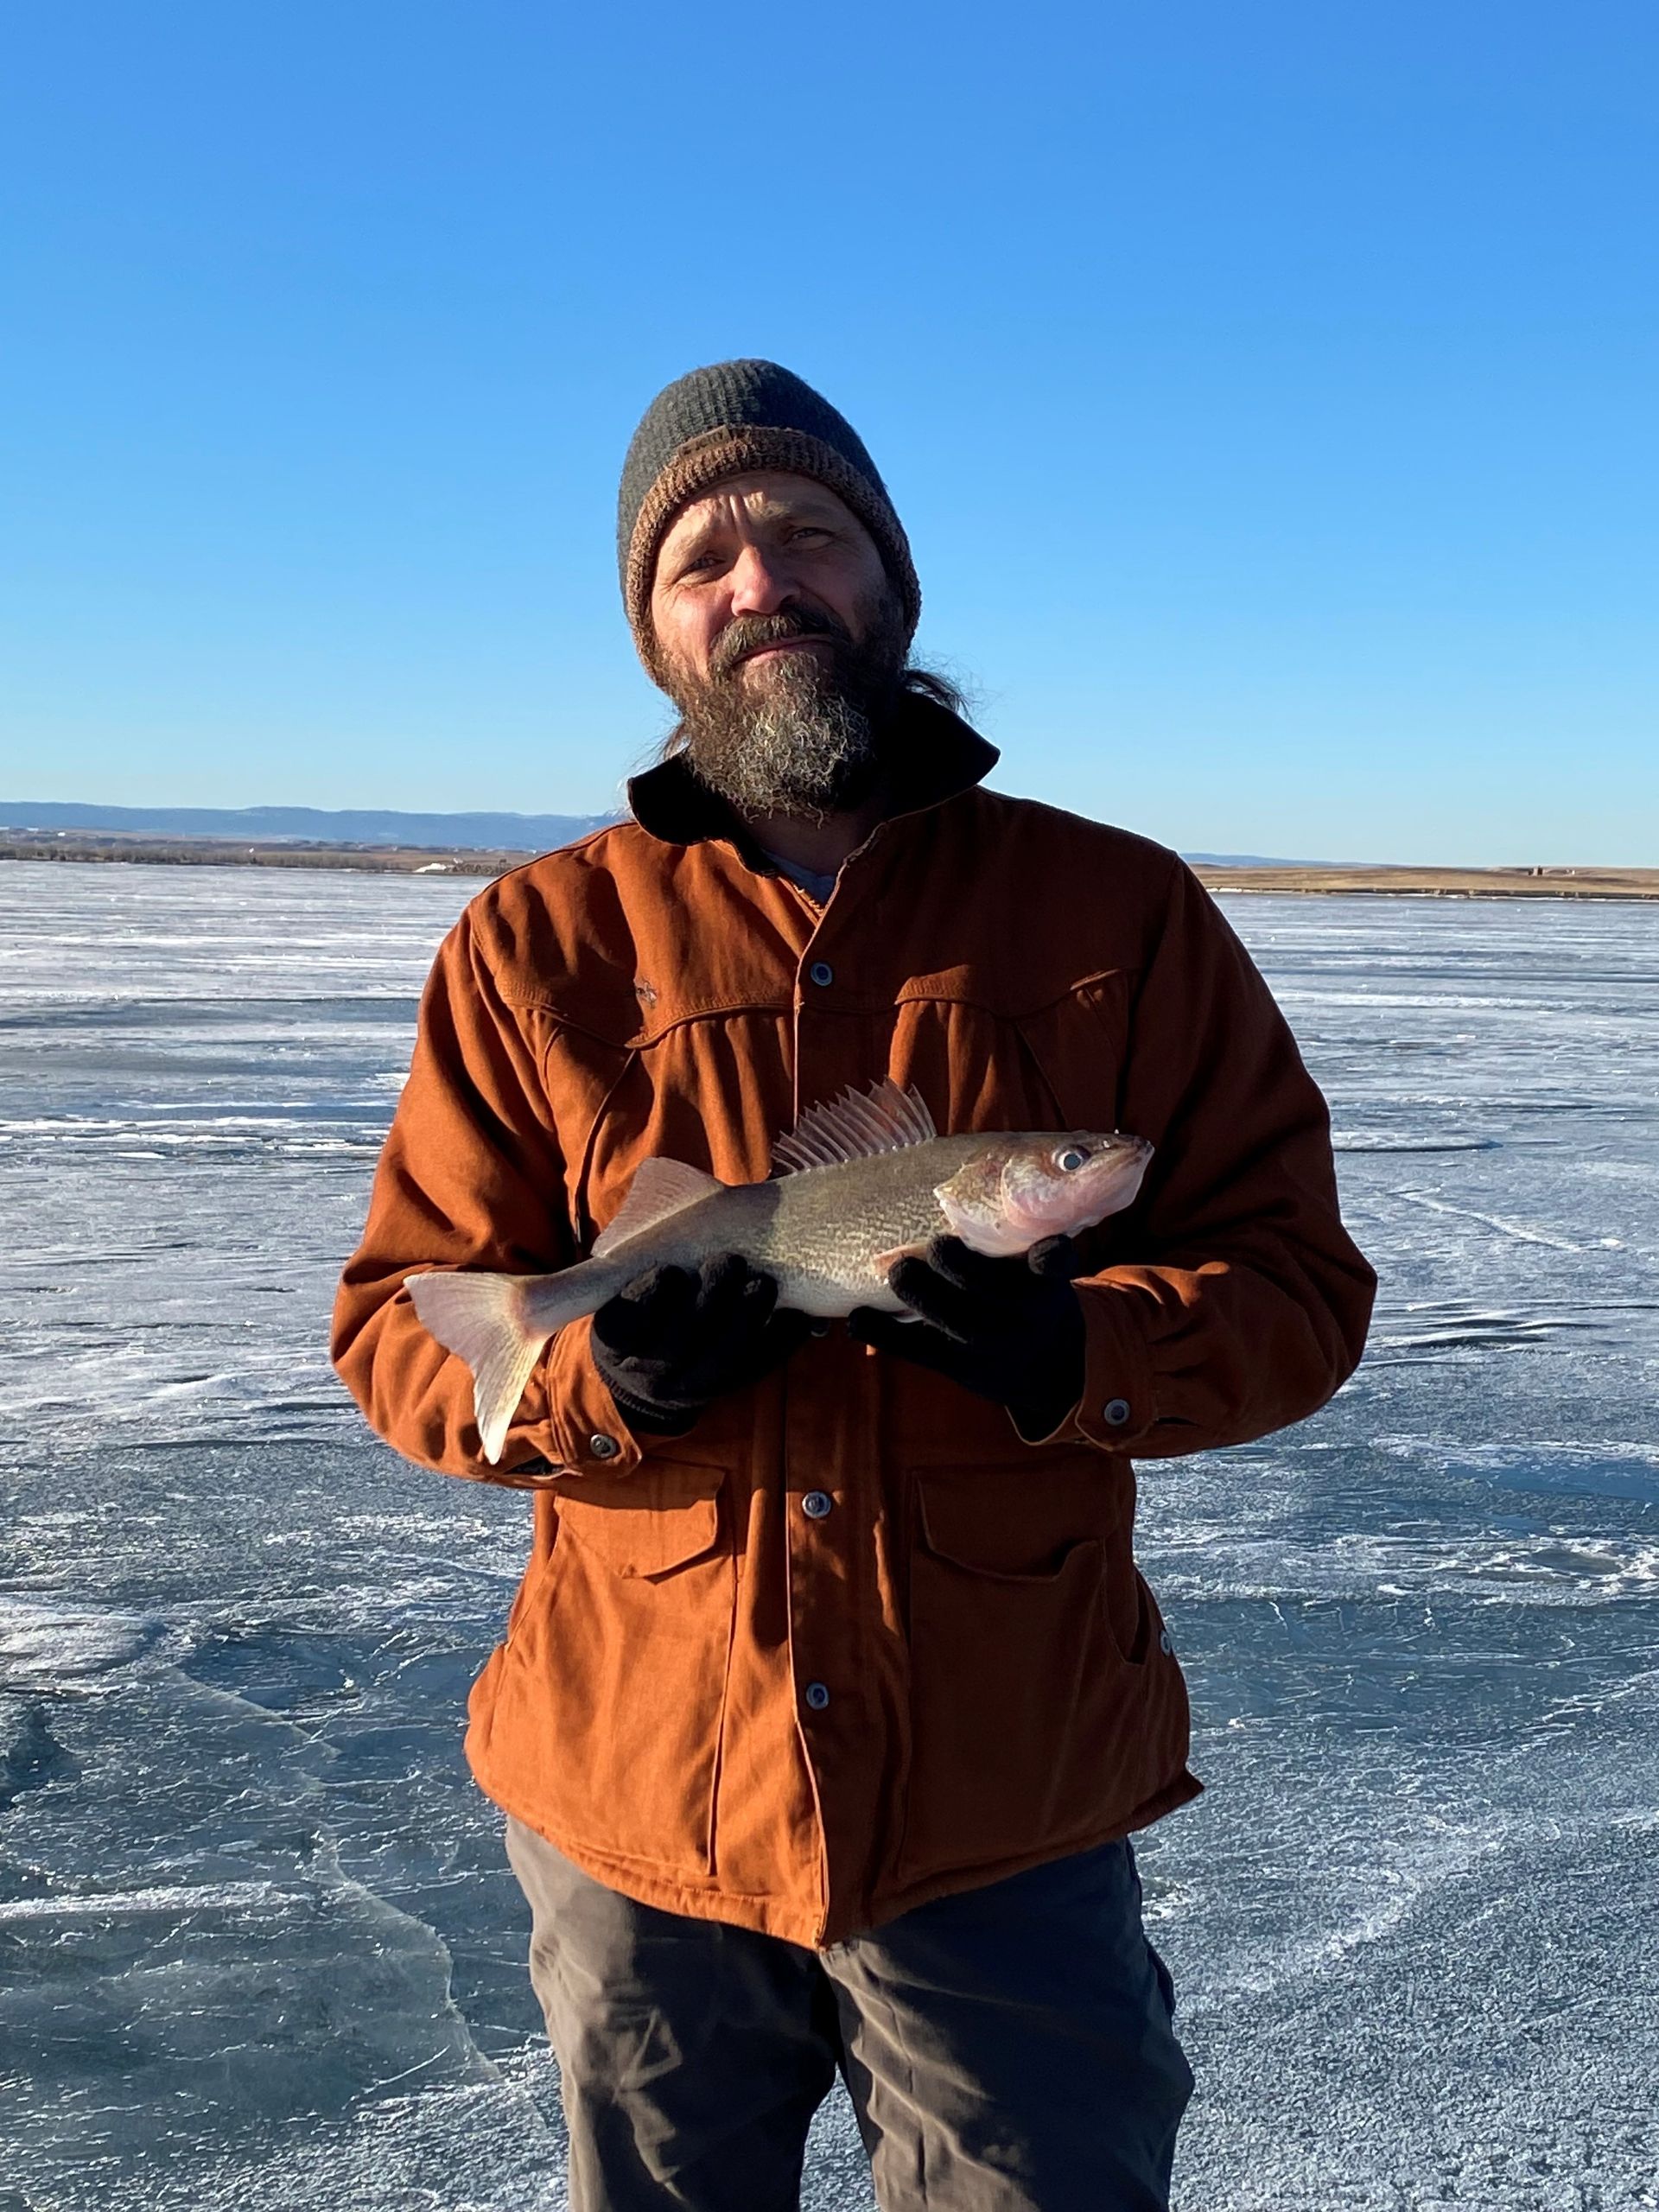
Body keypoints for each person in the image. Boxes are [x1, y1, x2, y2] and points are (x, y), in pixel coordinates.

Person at [333, 359, 1376, 2211]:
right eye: (703, 561)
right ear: (656, 629)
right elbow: (403, 1332)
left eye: (809, 534)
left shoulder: (1120, 910)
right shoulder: (534, 939)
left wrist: (1079, 1347)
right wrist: (600, 1383)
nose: (763, 584)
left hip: (1004, 1793)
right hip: (638, 1793)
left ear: (890, 576)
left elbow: (1296, 1288)